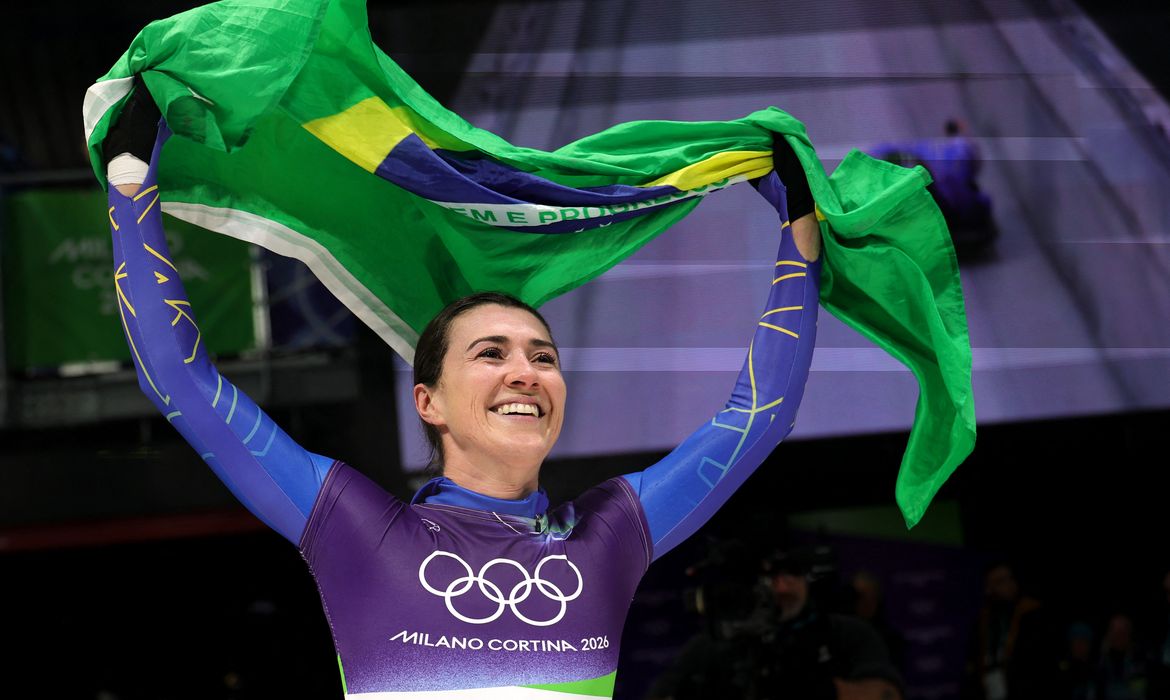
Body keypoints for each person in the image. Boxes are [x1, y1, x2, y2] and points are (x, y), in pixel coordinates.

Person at [103, 80, 822, 698]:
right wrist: (130, 181)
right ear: (429, 402)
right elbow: (182, 383)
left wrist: (799, 234)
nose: (526, 372)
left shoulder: (611, 534)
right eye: (491, 354)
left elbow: (758, 417)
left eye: (543, 356)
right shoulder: (357, 530)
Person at [646, 546, 904, 700]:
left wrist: (817, 689)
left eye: (792, 571)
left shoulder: (844, 633)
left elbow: (887, 695)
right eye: (771, 576)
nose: (782, 586)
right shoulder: (717, 643)